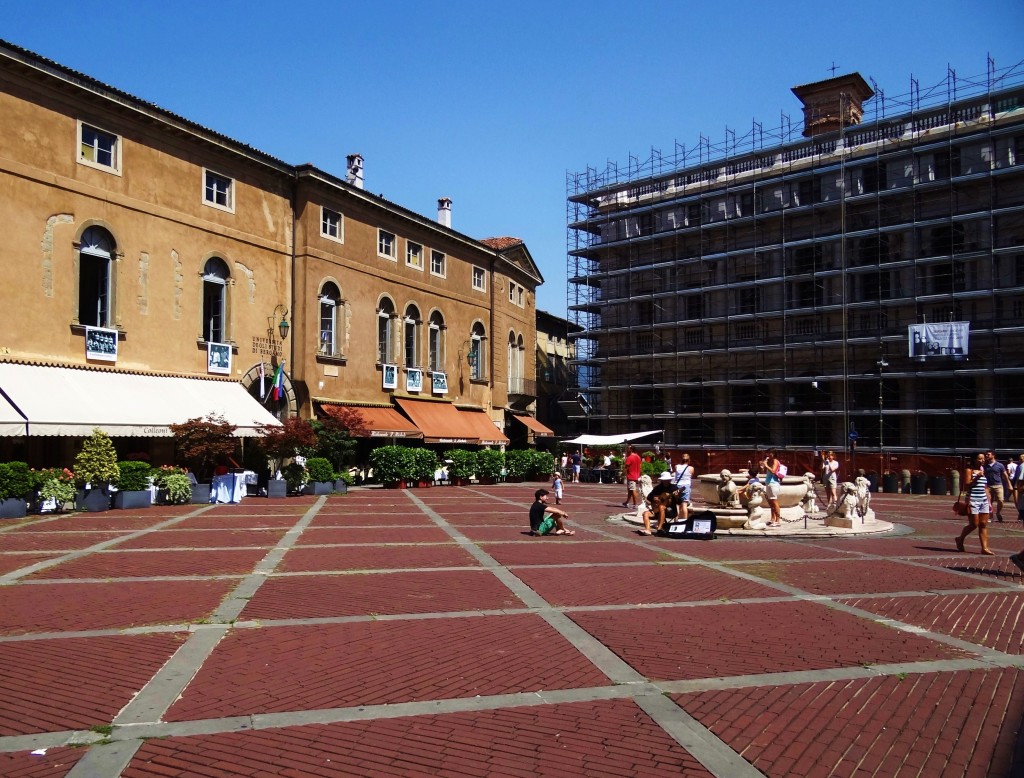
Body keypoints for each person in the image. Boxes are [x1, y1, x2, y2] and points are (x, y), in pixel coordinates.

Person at [955, 453, 993, 555]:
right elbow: (966, 486)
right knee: (974, 524)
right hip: (973, 500)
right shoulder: (969, 470)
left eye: (983, 459)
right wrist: (976, 478)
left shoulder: (983, 470)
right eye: (980, 459)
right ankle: (960, 538)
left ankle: (984, 548)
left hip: (983, 500)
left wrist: (989, 499)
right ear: (974, 460)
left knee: (983, 524)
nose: (982, 460)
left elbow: (985, 486)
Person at [983, 450, 1011, 522]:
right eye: (986, 455)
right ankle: (990, 516)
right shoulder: (985, 465)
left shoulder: (1000, 465)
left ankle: (998, 512)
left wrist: (1009, 485)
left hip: (998, 485)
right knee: (989, 502)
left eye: (988, 455)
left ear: (993, 455)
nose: (986, 456)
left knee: (1001, 500)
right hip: (988, 486)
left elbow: (1005, 475)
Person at [762, 449, 783, 528]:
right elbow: (766, 472)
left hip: (773, 483)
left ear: (773, 454)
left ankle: (778, 521)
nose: (768, 455)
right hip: (768, 483)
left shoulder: (775, 461)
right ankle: (772, 519)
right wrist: (763, 466)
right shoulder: (769, 461)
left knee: (774, 502)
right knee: (771, 502)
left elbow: (773, 471)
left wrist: (766, 465)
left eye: (769, 453)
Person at [672, 454, 694, 524]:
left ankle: (676, 521)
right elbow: (691, 476)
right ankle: (684, 522)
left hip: (677, 486)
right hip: (686, 486)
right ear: (689, 460)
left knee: (676, 504)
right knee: (684, 504)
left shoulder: (677, 466)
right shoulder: (691, 468)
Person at [622, 444, 642, 509]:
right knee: (630, 490)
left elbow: (626, 467)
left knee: (633, 490)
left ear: (631, 449)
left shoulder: (630, 457)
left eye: (628, 448)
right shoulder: (638, 457)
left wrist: (622, 474)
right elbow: (640, 466)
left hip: (631, 476)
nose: (627, 450)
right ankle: (627, 502)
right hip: (636, 475)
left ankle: (635, 504)